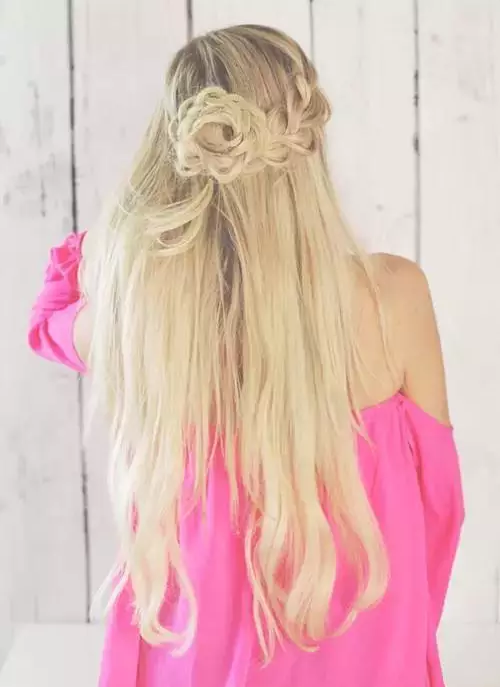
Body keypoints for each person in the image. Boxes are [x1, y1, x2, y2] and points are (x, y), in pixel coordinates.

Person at [28, 24, 464, 687]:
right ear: (308, 141)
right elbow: (441, 506)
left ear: (175, 156)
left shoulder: (148, 321)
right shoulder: (393, 300)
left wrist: (138, 243)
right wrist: (406, 640)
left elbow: (49, 315)